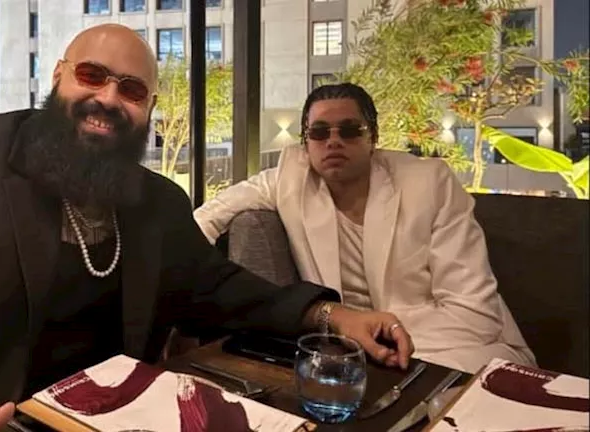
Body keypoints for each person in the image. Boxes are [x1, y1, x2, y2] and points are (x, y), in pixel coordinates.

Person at [0, 26, 413, 431]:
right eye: (91, 75)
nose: (107, 98)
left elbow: (222, 288)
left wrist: (332, 316)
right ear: (59, 77)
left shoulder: (156, 203)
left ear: (148, 110)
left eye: (131, 90)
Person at [194, 83, 536, 374]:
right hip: (353, 352)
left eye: (349, 130)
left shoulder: (429, 182)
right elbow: (208, 218)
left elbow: (474, 314)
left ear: (373, 138)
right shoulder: (289, 179)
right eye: (319, 132)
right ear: (306, 143)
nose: (333, 141)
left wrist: (368, 330)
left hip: (458, 344)